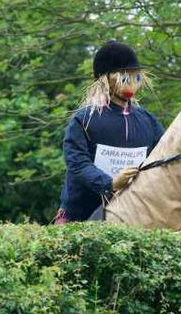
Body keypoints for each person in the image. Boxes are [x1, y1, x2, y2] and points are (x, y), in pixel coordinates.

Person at [54, 40, 164, 224]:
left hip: (136, 215)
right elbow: (77, 163)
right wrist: (109, 183)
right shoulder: (84, 119)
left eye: (136, 77)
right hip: (82, 216)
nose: (132, 84)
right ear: (106, 79)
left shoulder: (148, 121)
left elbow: (163, 155)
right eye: (124, 78)